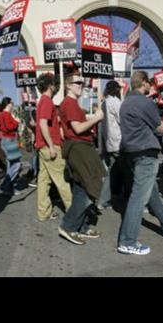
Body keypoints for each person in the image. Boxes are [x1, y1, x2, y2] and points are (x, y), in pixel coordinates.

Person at [117, 71, 163, 256]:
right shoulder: (146, 102)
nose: (151, 87)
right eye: (149, 84)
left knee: (150, 194)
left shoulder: (125, 102)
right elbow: (160, 127)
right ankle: (127, 241)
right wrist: (160, 127)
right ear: (143, 83)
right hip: (146, 153)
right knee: (139, 197)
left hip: (131, 153)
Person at [57, 74, 106, 245]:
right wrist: (96, 118)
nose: (82, 85)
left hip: (80, 148)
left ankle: (82, 226)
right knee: (89, 188)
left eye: (82, 82)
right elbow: (77, 129)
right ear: (68, 85)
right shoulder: (69, 103)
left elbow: (67, 130)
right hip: (79, 149)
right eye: (78, 82)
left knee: (81, 188)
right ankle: (69, 226)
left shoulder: (72, 104)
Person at [34, 72, 72, 221]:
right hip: (50, 146)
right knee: (62, 179)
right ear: (50, 85)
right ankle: (74, 212)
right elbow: (43, 123)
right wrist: (51, 146)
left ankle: (43, 212)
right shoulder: (47, 101)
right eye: (55, 84)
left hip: (42, 146)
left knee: (44, 181)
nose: (56, 87)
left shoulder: (41, 101)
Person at [97, 80, 123, 210]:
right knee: (130, 171)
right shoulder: (115, 102)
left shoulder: (104, 103)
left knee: (112, 172)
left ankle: (103, 199)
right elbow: (123, 120)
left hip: (109, 142)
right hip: (118, 141)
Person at [0, 97, 24, 196]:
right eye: (12, 103)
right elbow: (9, 127)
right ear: (8, 104)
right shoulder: (6, 114)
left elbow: (2, 126)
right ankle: (5, 185)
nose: (13, 105)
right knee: (16, 164)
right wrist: (16, 121)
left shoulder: (2, 114)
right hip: (10, 141)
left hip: (6, 140)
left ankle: (9, 188)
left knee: (11, 165)